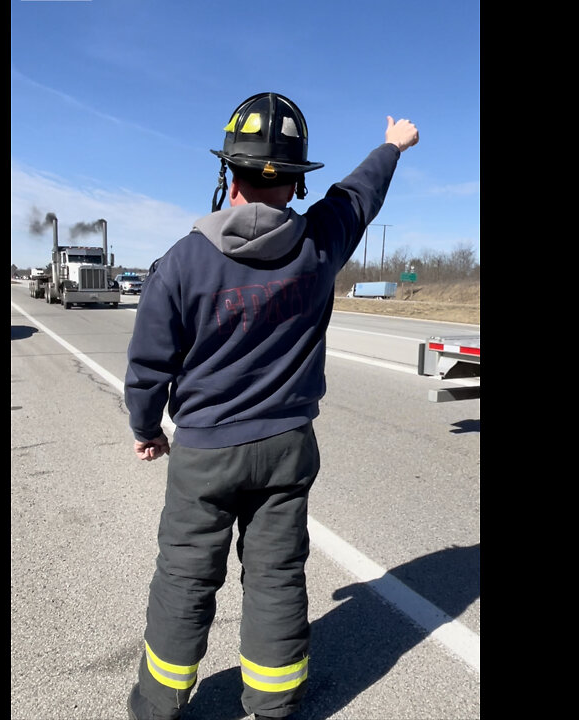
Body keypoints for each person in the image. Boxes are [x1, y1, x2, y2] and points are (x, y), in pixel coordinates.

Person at [124, 91, 418, 720]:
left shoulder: (180, 262)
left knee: (184, 579)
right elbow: (357, 196)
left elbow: (149, 366)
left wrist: (147, 428)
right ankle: (274, 704)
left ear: (228, 173)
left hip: (204, 452)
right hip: (287, 447)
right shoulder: (317, 246)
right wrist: (392, 146)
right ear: (293, 182)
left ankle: (157, 705)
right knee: (277, 575)